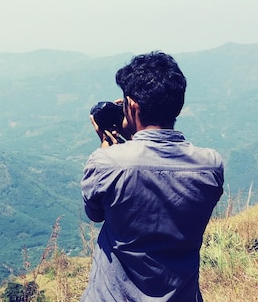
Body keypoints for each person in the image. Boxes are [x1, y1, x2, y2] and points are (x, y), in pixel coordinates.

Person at [81, 51, 224, 301]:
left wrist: (110, 144)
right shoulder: (210, 165)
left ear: (132, 106)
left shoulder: (106, 163)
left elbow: (95, 213)